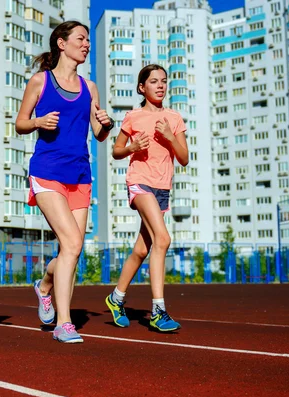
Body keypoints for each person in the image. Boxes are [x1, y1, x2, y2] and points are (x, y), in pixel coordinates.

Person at [15, 21, 114, 343]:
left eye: (88, 40)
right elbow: (19, 124)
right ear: (62, 43)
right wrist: (38, 122)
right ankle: (64, 323)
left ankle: (44, 285)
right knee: (71, 243)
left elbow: (98, 134)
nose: (86, 45)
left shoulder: (90, 87)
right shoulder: (40, 81)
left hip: (80, 174)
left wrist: (106, 124)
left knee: (72, 249)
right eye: (81, 39)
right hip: (46, 171)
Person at [105, 64, 189, 333]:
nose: (160, 86)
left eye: (164, 81)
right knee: (163, 239)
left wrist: (169, 137)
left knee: (142, 249)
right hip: (139, 181)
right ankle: (158, 311)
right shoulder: (133, 116)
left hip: (162, 188)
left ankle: (116, 299)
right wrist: (131, 147)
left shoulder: (174, 118)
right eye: (154, 82)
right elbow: (117, 151)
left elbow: (184, 159)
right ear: (142, 87)